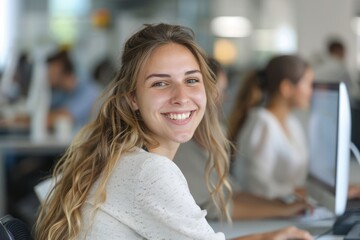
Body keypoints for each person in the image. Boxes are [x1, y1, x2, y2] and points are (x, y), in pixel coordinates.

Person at [35, 24, 312, 240]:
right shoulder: (150, 172)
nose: (181, 96)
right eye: (160, 84)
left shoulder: (125, 156)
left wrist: (266, 235)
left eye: (192, 80)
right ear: (133, 98)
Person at [174, 57, 310, 220]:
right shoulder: (182, 147)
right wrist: (281, 209)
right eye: (222, 91)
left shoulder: (210, 139)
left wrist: (281, 206)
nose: (226, 98)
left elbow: (231, 191)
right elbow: (215, 207)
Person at [228, 55, 314, 201]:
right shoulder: (262, 123)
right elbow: (257, 187)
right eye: (308, 84)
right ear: (286, 88)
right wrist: (301, 192)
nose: (311, 92)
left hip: (287, 207)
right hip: (264, 214)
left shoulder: (292, 122)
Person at [46, 49, 101, 130]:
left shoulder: (89, 92)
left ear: (59, 70)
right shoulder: (61, 92)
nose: (48, 75)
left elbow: (64, 117)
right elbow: (47, 112)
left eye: (51, 71)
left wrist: (44, 117)